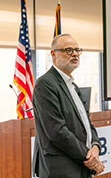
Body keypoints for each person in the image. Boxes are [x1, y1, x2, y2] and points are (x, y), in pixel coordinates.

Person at [32, 34, 104, 178]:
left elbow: (87, 124)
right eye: (69, 50)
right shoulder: (45, 84)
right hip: (60, 169)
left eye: (77, 50)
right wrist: (90, 158)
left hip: (80, 165)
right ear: (53, 54)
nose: (75, 54)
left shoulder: (74, 87)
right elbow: (57, 131)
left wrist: (96, 146)